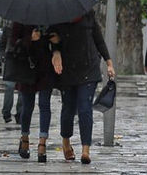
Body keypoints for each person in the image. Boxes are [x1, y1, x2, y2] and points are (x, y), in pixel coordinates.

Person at [49, 10, 115, 165]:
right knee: (68, 109)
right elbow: (52, 41)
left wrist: (109, 63)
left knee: (85, 108)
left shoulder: (88, 14)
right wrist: (56, 51)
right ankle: (66, 141)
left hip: (88, 69)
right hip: (67, 70)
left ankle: (86, 149)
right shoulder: (58, 16)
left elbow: (98, 40)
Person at [15, 24, 57, 162]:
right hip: (27, 70)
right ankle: (25, 138)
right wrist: (29, 39)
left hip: (45, 71)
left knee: (44, 105)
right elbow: (11, 44)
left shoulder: (50, 20)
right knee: (28, 107)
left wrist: (55, 42)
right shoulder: (20, 20)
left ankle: (42, 143)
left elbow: (58, 43)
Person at [0, 23, 21, 124]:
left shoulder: (29, 26)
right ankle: (6, 113)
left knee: (22, 88)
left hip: (24, 59)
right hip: (11, 58)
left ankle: (20, 113)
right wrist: (3, 55)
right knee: (9, 86)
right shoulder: (8, 28)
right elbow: (2, 44)